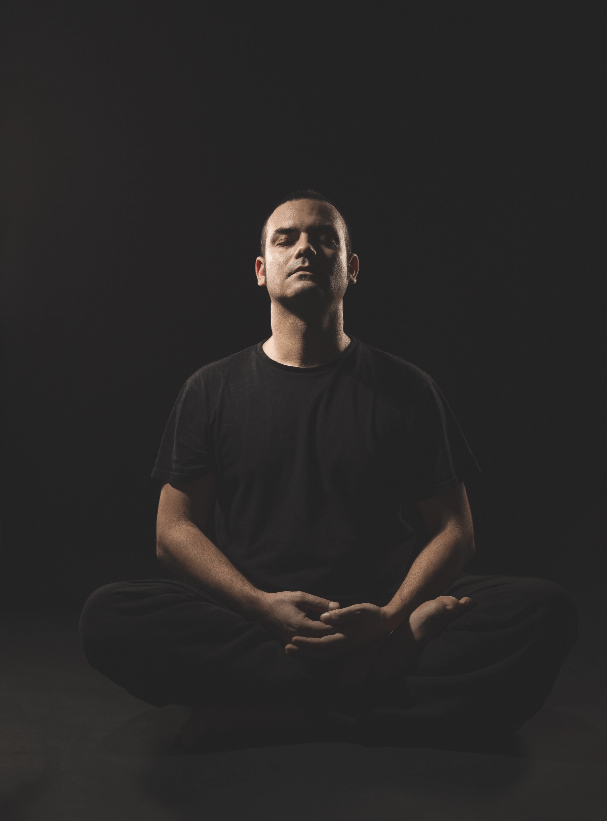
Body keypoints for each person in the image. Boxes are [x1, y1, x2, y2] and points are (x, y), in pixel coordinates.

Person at [79, 189, 578, 753]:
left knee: (542, 610)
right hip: (255, 612)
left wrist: (391, 617)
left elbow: (454, 531)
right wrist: (261, 607)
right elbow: (173, 530)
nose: (305, 249)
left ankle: (279, 705)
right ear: (262, 270)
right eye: (286, 239)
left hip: (378, 604)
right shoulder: (210, 389)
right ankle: (373, 683)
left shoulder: (408, 389)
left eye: (324, 239)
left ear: (352, 268)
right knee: (109, 616)